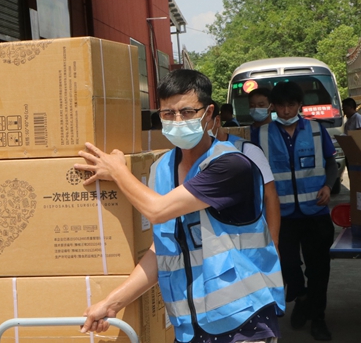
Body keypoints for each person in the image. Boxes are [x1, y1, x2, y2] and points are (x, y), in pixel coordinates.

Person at [77, 70, 284, 343]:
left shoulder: (230, 165)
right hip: (190, 328)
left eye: (187, 112)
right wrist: (111, 303)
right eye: (168, 113)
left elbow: (157, 210)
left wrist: (118, 172)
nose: (177, 121)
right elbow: (163, 250)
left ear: (208, 113)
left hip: (244, 321)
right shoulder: (161, 169)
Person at [251, 81, 337, 341]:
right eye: (281, 105)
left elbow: (331, 163)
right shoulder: (261, 135)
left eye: (291, 105)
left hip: (316, 213)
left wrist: (328, 185)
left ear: (300, 105)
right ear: (274, 107)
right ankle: (301, 297)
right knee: (287, 265)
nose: (287, 110)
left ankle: (318, 318)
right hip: (281, 215)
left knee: (318, 270)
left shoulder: (316, 130)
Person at [207, 101, 281, 248]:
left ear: (217, 121)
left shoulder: (247, 150)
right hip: (217, 242)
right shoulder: (195, 156)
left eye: (203, 123)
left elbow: (270, 195)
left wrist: (274, 242)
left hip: (250, 240)